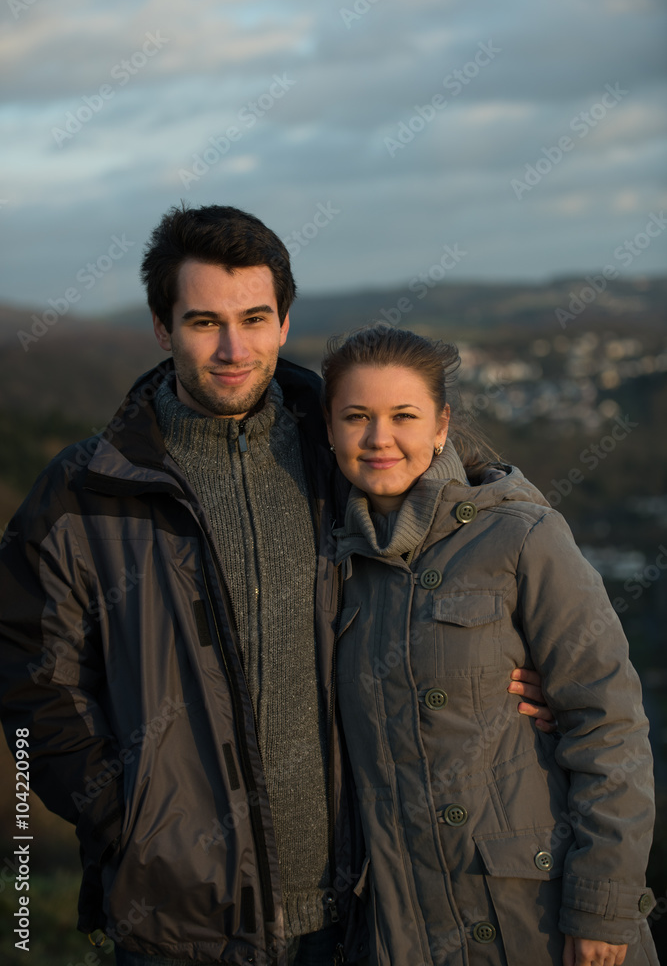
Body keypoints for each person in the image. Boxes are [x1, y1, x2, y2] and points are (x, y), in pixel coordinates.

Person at [0, 205, 551, 966]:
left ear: (285, 322)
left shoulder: (347, 449)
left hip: (368, 909)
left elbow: (483, 524)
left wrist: (529, 665)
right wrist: (119, 814)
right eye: (203, 322)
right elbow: (30, 679)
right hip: (177, 924)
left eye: (254, 318)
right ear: (163, 329)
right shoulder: (84, 492)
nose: (233, 347)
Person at [321, 326, 658, 966]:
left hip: (536, 918)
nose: (379, 438)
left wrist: (602, 907)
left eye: (404, 416)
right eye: (356, 417)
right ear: (331, 430)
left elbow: (609, 724)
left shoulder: (522, 535)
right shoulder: (333, 564)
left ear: (442, 425)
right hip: (406, 926)